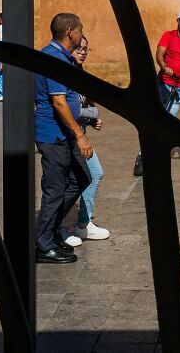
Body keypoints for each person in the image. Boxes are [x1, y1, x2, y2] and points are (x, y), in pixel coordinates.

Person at [34, 13, 92, 264]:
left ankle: (51, 231)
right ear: (70, 32)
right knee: (54, 190)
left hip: (64, 134)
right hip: (54, 134)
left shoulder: (62, 58)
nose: (81, 36)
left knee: (82, 177)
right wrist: (80, 135)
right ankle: (43, 245)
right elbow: (58, 102)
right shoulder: (53, 58)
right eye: (80, 31)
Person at [133, 9, 180, 176]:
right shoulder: (168, 36)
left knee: (168, 121)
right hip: (163, 84)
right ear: (177, 20)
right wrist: (164, 67)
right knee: (155, 118)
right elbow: (159, 54)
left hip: (179, 87)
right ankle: (142, 155)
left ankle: (156, 154)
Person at [68, 36, 110, 243]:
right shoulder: (64, 73)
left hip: (80, 135)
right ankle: (57, 231)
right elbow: (66, 108)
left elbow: (80, 106)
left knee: (93, 174)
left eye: (86, 49)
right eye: (78, 48)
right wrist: (90, 115)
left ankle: (83, 224)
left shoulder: (79, 72)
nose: (83, 52)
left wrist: (91, 120)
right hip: (69, 137)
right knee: (67, 184)